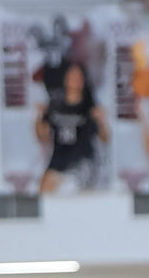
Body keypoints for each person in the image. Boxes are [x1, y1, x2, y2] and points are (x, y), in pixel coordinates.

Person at [37, 61, 109, 192]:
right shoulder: (55, 105)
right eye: (71, 76)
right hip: (58, 160)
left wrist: (101, 121)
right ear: (65, 79)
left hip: (82, 162)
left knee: (72, 189)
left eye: (78, 77)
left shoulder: (90, 107)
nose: (75, 80)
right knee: (45, 188)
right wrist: (39, 117)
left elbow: (105, 138)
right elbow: (42, 136)